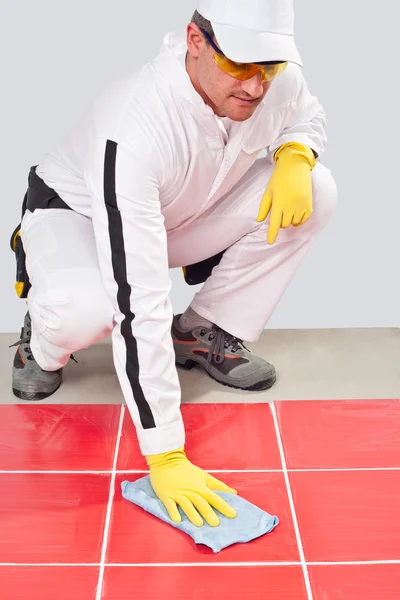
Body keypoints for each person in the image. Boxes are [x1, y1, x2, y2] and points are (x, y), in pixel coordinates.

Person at [10, 0, 337, 528]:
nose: (256, 87)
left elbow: (306, 116)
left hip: (173, 214)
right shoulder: (135, 123)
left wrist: (297, 153)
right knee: (83, 313)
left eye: (269, 67)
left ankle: (202, 330)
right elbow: (139, 298)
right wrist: (165, 452)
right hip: (79, 218)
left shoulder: (278, 81)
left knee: (316, 192)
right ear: (195, 40)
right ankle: (41, 339)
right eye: (240, 65)